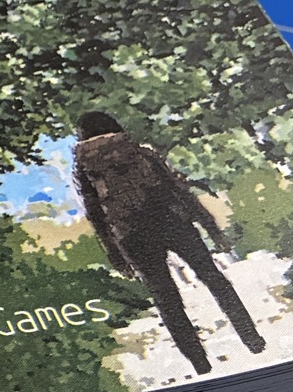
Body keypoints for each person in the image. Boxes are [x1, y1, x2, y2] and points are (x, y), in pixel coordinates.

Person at [72, 112, 264, 375]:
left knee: (167, 301)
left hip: (132, 236)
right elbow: (179, 190)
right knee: (215, 279)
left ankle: (199, 363)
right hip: (172, 221)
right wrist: (211, 228)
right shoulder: (140, 152)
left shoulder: (85, 171)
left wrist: (115, 255)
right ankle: (252, 339)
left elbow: (95, 214)